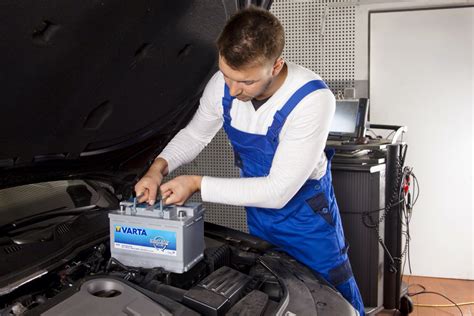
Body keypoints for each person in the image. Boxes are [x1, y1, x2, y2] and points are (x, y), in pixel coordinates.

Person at [135, 6, 365, 315]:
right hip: (259, 215)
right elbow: (195, 136)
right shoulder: (224, 84)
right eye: (226, 75)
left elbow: (278, 191)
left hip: (307, 220)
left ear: (275, 65)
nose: (232, 89)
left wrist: (195, 183)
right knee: (274, 295)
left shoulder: (312, 99)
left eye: (245, 82)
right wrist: (156, 170)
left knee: (331, 300)